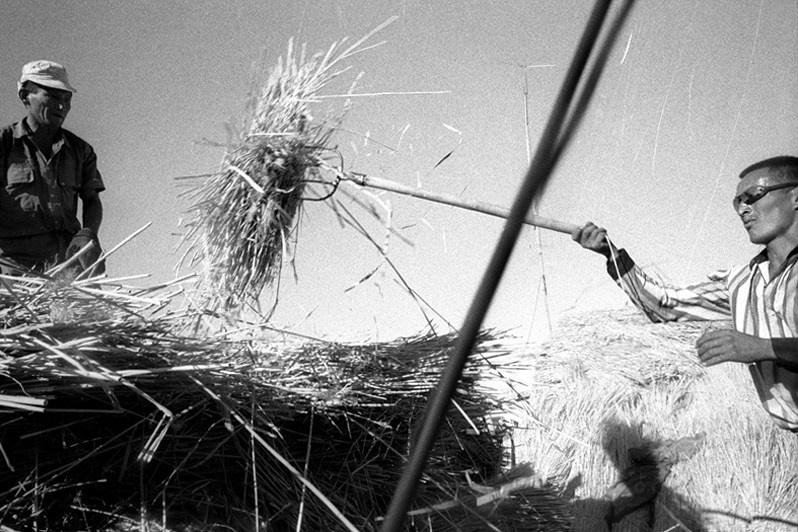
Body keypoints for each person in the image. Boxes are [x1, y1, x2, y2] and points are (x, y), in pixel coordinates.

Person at [573, 155, 798, 432]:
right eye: (737, 202)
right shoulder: (743, 282)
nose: (743, 209)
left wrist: (762, 347)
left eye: (753, 196)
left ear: (795, 196)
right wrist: (610, 254)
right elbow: (664, 305)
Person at [0, 60, 105, 276]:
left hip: (68, 266)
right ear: (25, 96)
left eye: (67, 99)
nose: (62, 106)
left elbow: (92, 199)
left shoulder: (81, 150)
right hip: (16, 271)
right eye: (53, 97)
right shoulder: (4, 144)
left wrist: (88, 233)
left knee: (88, 311)